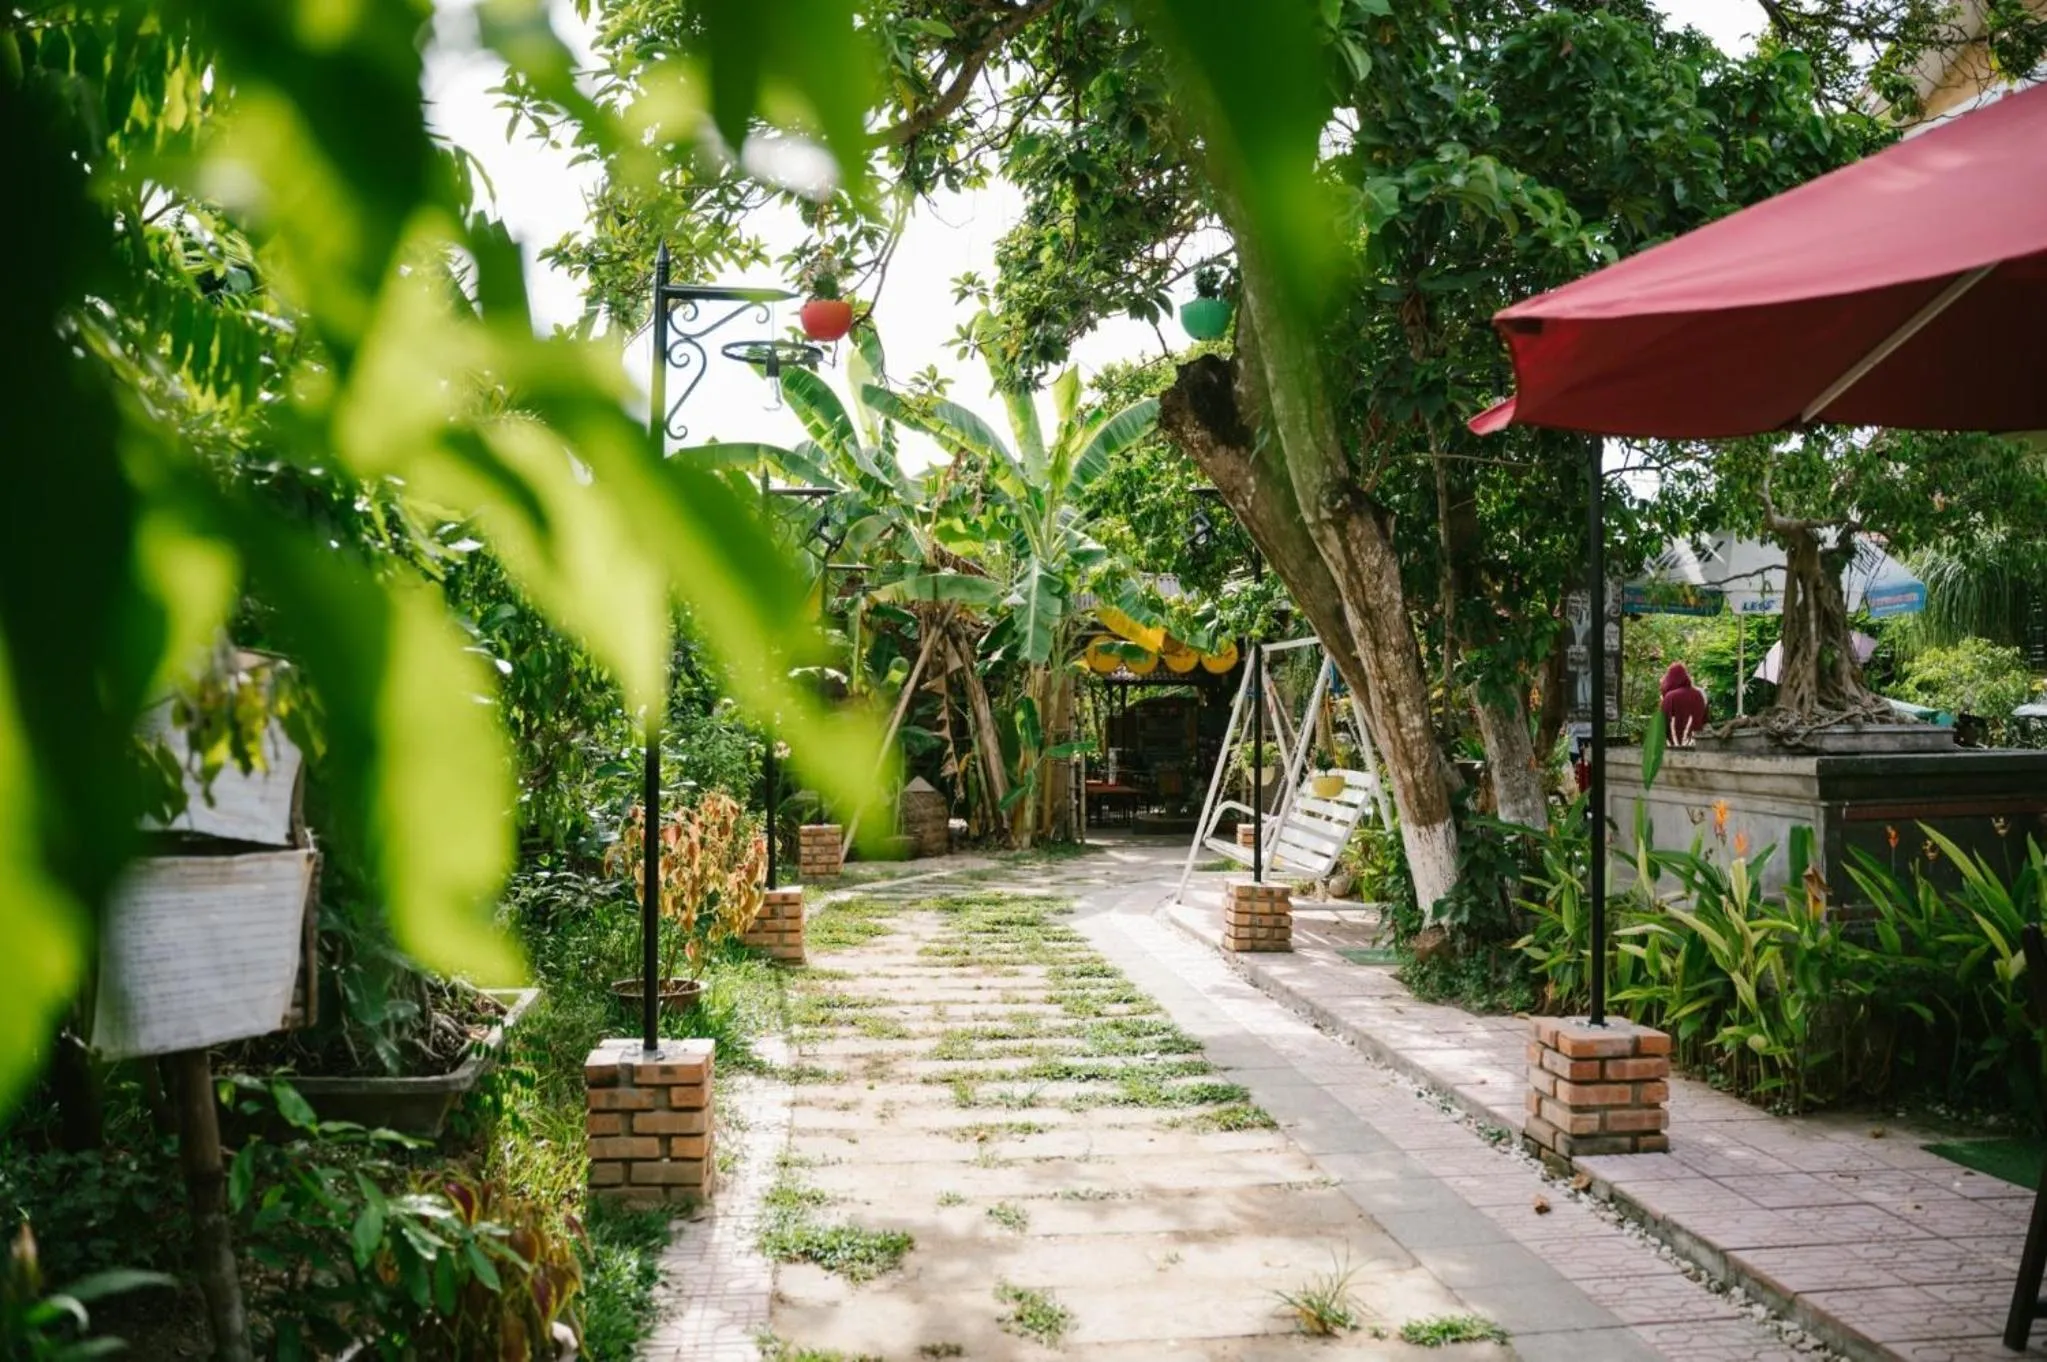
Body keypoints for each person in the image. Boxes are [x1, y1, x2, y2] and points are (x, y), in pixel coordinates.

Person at [1660, 662, 1709, 746]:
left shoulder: (1670, 697)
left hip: (1674, 745)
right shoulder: (1699, 694)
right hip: (1696, 743)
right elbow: (1705, 720)